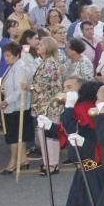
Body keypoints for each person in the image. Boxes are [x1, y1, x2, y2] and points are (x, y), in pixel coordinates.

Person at [31, 37, 65, 174]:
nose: (38, 46)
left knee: (49, 134)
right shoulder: (45, 62)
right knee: (43, 133)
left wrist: (29, 86)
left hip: (50, 104)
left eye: (41, 44)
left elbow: (43, 84)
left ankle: (52, 163)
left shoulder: (50, 63)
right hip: (43, 104)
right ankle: (48, 163)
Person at [0, 41, 32, 174]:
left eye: (9, 56)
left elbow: (19, 90)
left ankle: (13, 161)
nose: (6, 58)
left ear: (17, 55)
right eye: (5, 56)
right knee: (20, 134)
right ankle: (22, 159)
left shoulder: (20, 68)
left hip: (16, 106)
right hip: (16, 106)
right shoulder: (14, 66)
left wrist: (6, 101)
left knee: (13, 136)